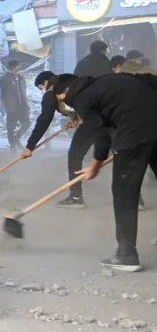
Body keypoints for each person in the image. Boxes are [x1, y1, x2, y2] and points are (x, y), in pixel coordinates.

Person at [54, 72, 157, 272]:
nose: (67, 104)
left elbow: (100, 134)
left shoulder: (81, 97)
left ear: (65, 91)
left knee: (124, 192)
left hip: (134, 133)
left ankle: (126, 255)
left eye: (62, 100)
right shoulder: (108, 80)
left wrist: (95, 164)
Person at [0, 60, 30, 152]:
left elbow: (24, 93)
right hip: (11, 106)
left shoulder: (21, 78)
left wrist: (27, 104)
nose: (20, 66)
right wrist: (2, 106)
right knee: (11, 127)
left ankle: (17, 138)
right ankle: (12, 145)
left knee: (27, 123)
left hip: (22, 105)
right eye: (19, 65)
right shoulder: (5, 79)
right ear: (13, 67)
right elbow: (2, 94)